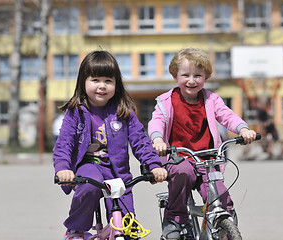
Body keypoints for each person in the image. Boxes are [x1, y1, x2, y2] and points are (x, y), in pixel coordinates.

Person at [53, 50, 168, 240]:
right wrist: (63, 168)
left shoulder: (124, 111)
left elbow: (140, 142)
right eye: (95, 80)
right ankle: (75, 231)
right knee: (89, 186)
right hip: (88, 168)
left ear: (116, 84)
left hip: (117, 174)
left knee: (128, 228)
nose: (102, 86)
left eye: (108, 81)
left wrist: (154, 166)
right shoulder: (77, 112)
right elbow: (64, 143)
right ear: (83, 82)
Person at [148, 48, 257, 240]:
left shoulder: (211, 99)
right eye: (185, 75)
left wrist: (242, 129)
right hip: (179, 157)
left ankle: (225, 224)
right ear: (175, 76)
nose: (191, 80)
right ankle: (174, 219)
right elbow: (157, 121)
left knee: (219, 196)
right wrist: (157, 139)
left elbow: (227, 115)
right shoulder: (166, 101)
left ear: (205, 77)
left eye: (198, 75)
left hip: (208, 158)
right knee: (182, 172)